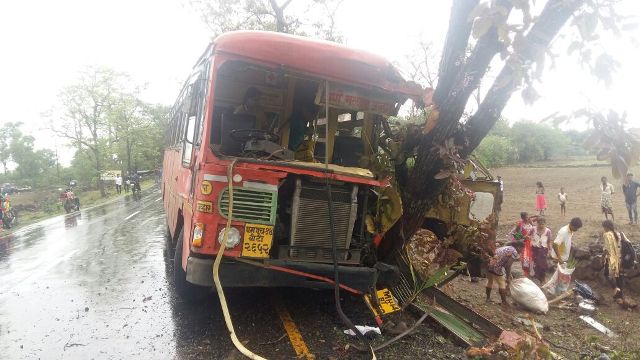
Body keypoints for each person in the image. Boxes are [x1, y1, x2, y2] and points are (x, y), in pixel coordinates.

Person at [486, 241, 525, 306]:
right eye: (522, 249)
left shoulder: (507, 247)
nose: (522, 251)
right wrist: (508, 276)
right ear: (519, 247)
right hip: (497, 267)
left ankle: (488, 298)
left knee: (490, 281)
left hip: (490, 264)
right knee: (502, 284)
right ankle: (504, 302)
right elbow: (508, 266)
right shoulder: (514, 252)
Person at [602, 220, 624, 299]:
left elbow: (607, 249)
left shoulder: (607, 235)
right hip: (619, 258)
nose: (603, 229)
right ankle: (620, 296)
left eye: (603, 227)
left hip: (611, 259)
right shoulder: (618, 234)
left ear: (606, 227)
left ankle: (615, 289)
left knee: (607, 274)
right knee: (618, 276)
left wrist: (602, 257)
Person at [510, 212, 535, 277]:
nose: (527, 218)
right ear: (522, 218)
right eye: (525, 217)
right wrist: (523, 237)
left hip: (531, 242)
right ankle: (525, 272)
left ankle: (531, 271)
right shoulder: (520, 224)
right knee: (524, 257)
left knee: (531, 256)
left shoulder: (530, 222)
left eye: (527, 217)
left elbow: (533, 231)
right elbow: (514, 233)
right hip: (523, 243)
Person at [531, 217, 552, 283]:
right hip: (534, 249)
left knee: (542, 264)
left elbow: (549, 241)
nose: (541, 226)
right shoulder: (533, 229)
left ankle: (542, 278)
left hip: (543, 250)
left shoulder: (548, 231)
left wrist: (550, 250)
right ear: (537, 223)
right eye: (539, 224)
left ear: (545, 224)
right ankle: (538, 277)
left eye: (542, 224)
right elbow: (528, 236)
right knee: (535, 263)